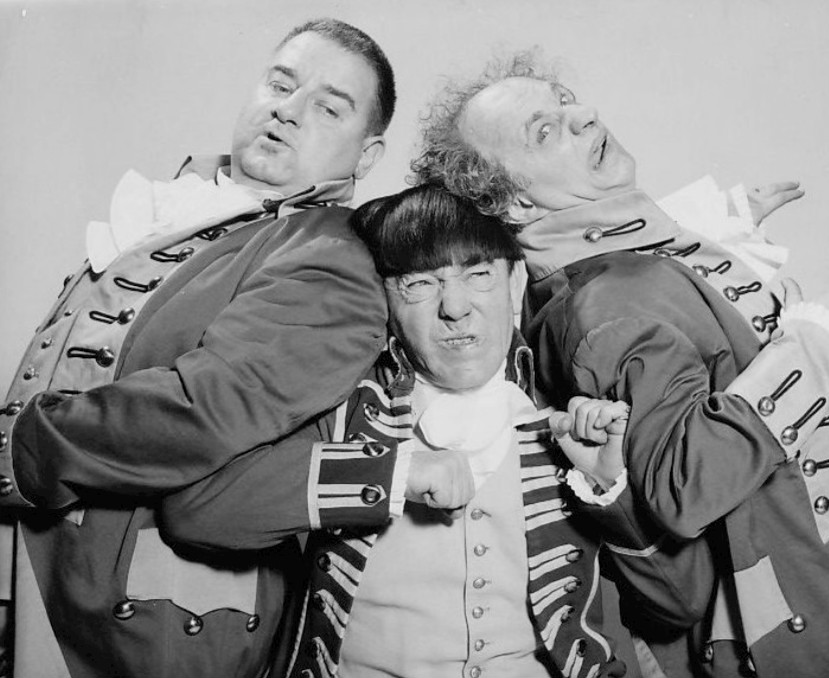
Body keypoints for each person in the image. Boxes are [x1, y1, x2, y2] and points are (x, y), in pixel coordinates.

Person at [411, 51, 829, 678]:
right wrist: (822, 341)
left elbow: (626, 285)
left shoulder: (615, 276)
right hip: (821, 612)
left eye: (567, 101)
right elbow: (685, 483)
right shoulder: (611, 306)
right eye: (545, 131)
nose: (585, 117)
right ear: (513, 205)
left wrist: (702, 228)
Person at [156, 183, 713, 678]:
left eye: (478, 276)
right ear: (387, 304)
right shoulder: (343, 410)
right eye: (419, 285)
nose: (455, 308)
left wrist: (607, 494)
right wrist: (396, 473)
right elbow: (197, 513)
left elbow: (678, 607)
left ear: (516, 281)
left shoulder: (578, 413)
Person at [0, 18, 398, 678]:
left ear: (367, 154)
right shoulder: (190, 216)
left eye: (328, 108)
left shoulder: (331, 253)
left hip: (153, 625)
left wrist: (19, 452)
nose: (287, 111)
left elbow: (206, 407)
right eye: (280, 83)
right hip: (46, 578)